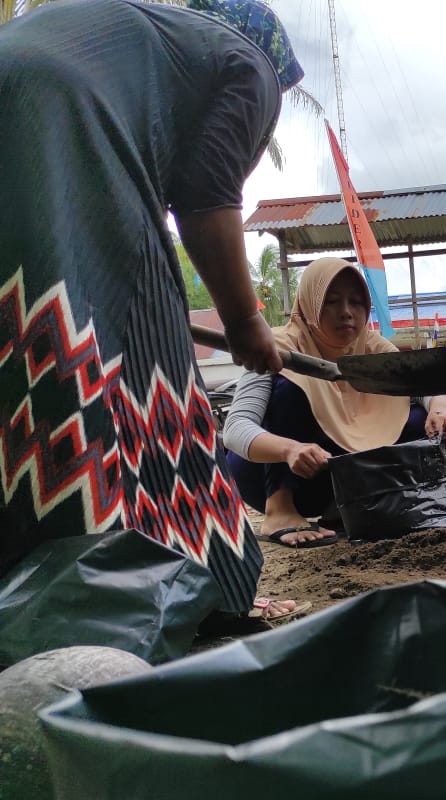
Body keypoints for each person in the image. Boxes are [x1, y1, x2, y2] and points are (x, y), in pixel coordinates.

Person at [0, 0, 309, 627]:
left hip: (31, 97)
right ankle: (172, 590)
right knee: (134, 363)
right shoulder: (251, 64)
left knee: (20, 342)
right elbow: (205, 198)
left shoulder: (142, 39)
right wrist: (244, 322)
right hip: (62, 118)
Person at [223, 258, 446, 545]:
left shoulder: (372, 348)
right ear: (310, 304)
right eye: (332, 302)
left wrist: (440, 409)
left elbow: (425, 387)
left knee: (415, 420)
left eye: (356, 302)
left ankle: (344, 509)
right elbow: (235, 428)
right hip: (269, 474)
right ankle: (280, 510)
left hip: (336, 479)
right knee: (290, 389)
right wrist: (290, 449)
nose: (346, 312)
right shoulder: (277, 347)